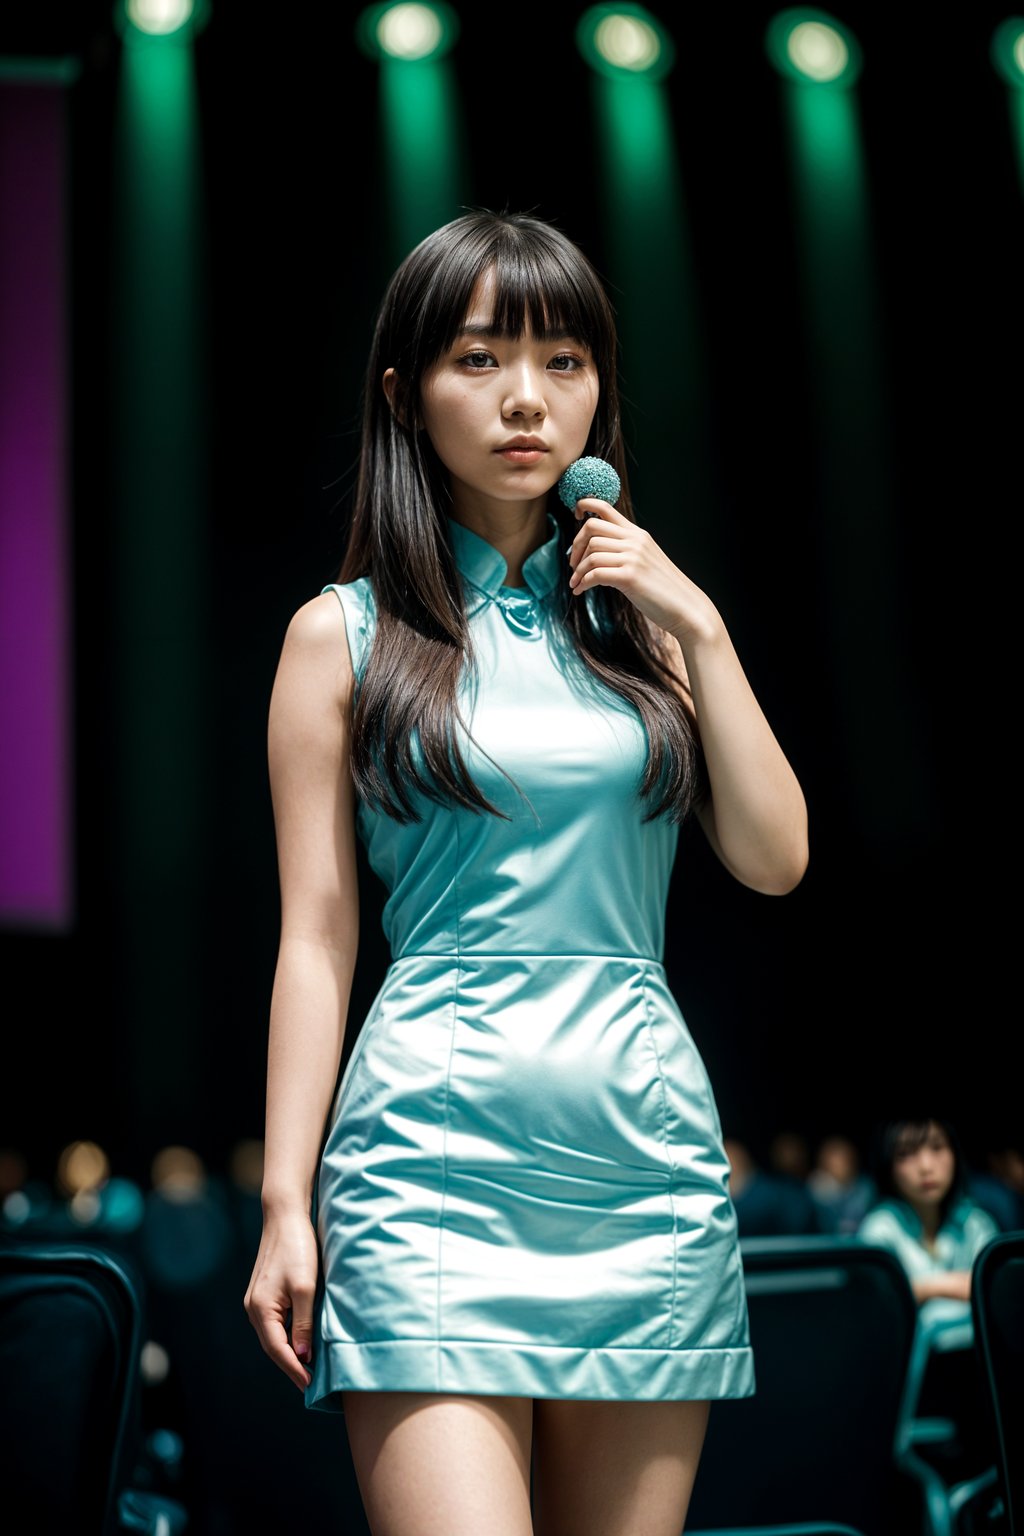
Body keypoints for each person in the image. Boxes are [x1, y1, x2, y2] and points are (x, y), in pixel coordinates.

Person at [243, 209, 809, 1536]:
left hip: (643, 1158)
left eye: (564, 362)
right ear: (404, 391)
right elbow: (316, 944)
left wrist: (703, 629)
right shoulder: (341, 637)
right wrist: (286, 1199)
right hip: (429, 1164)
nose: (525, 399)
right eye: (481, 358)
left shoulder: (646, 631)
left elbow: (776, 861)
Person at [857, 1117, 1001, 1482]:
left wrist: (926, 1287)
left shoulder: (976, 1222)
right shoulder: (879, 1227)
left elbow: (1000, 1289)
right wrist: (956, 1286)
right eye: (907, 1154)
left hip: (981, 1381)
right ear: (888, 1166)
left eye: (937, 1148)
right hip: (910, 1391)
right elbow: (884, 1303)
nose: (926, 1166)